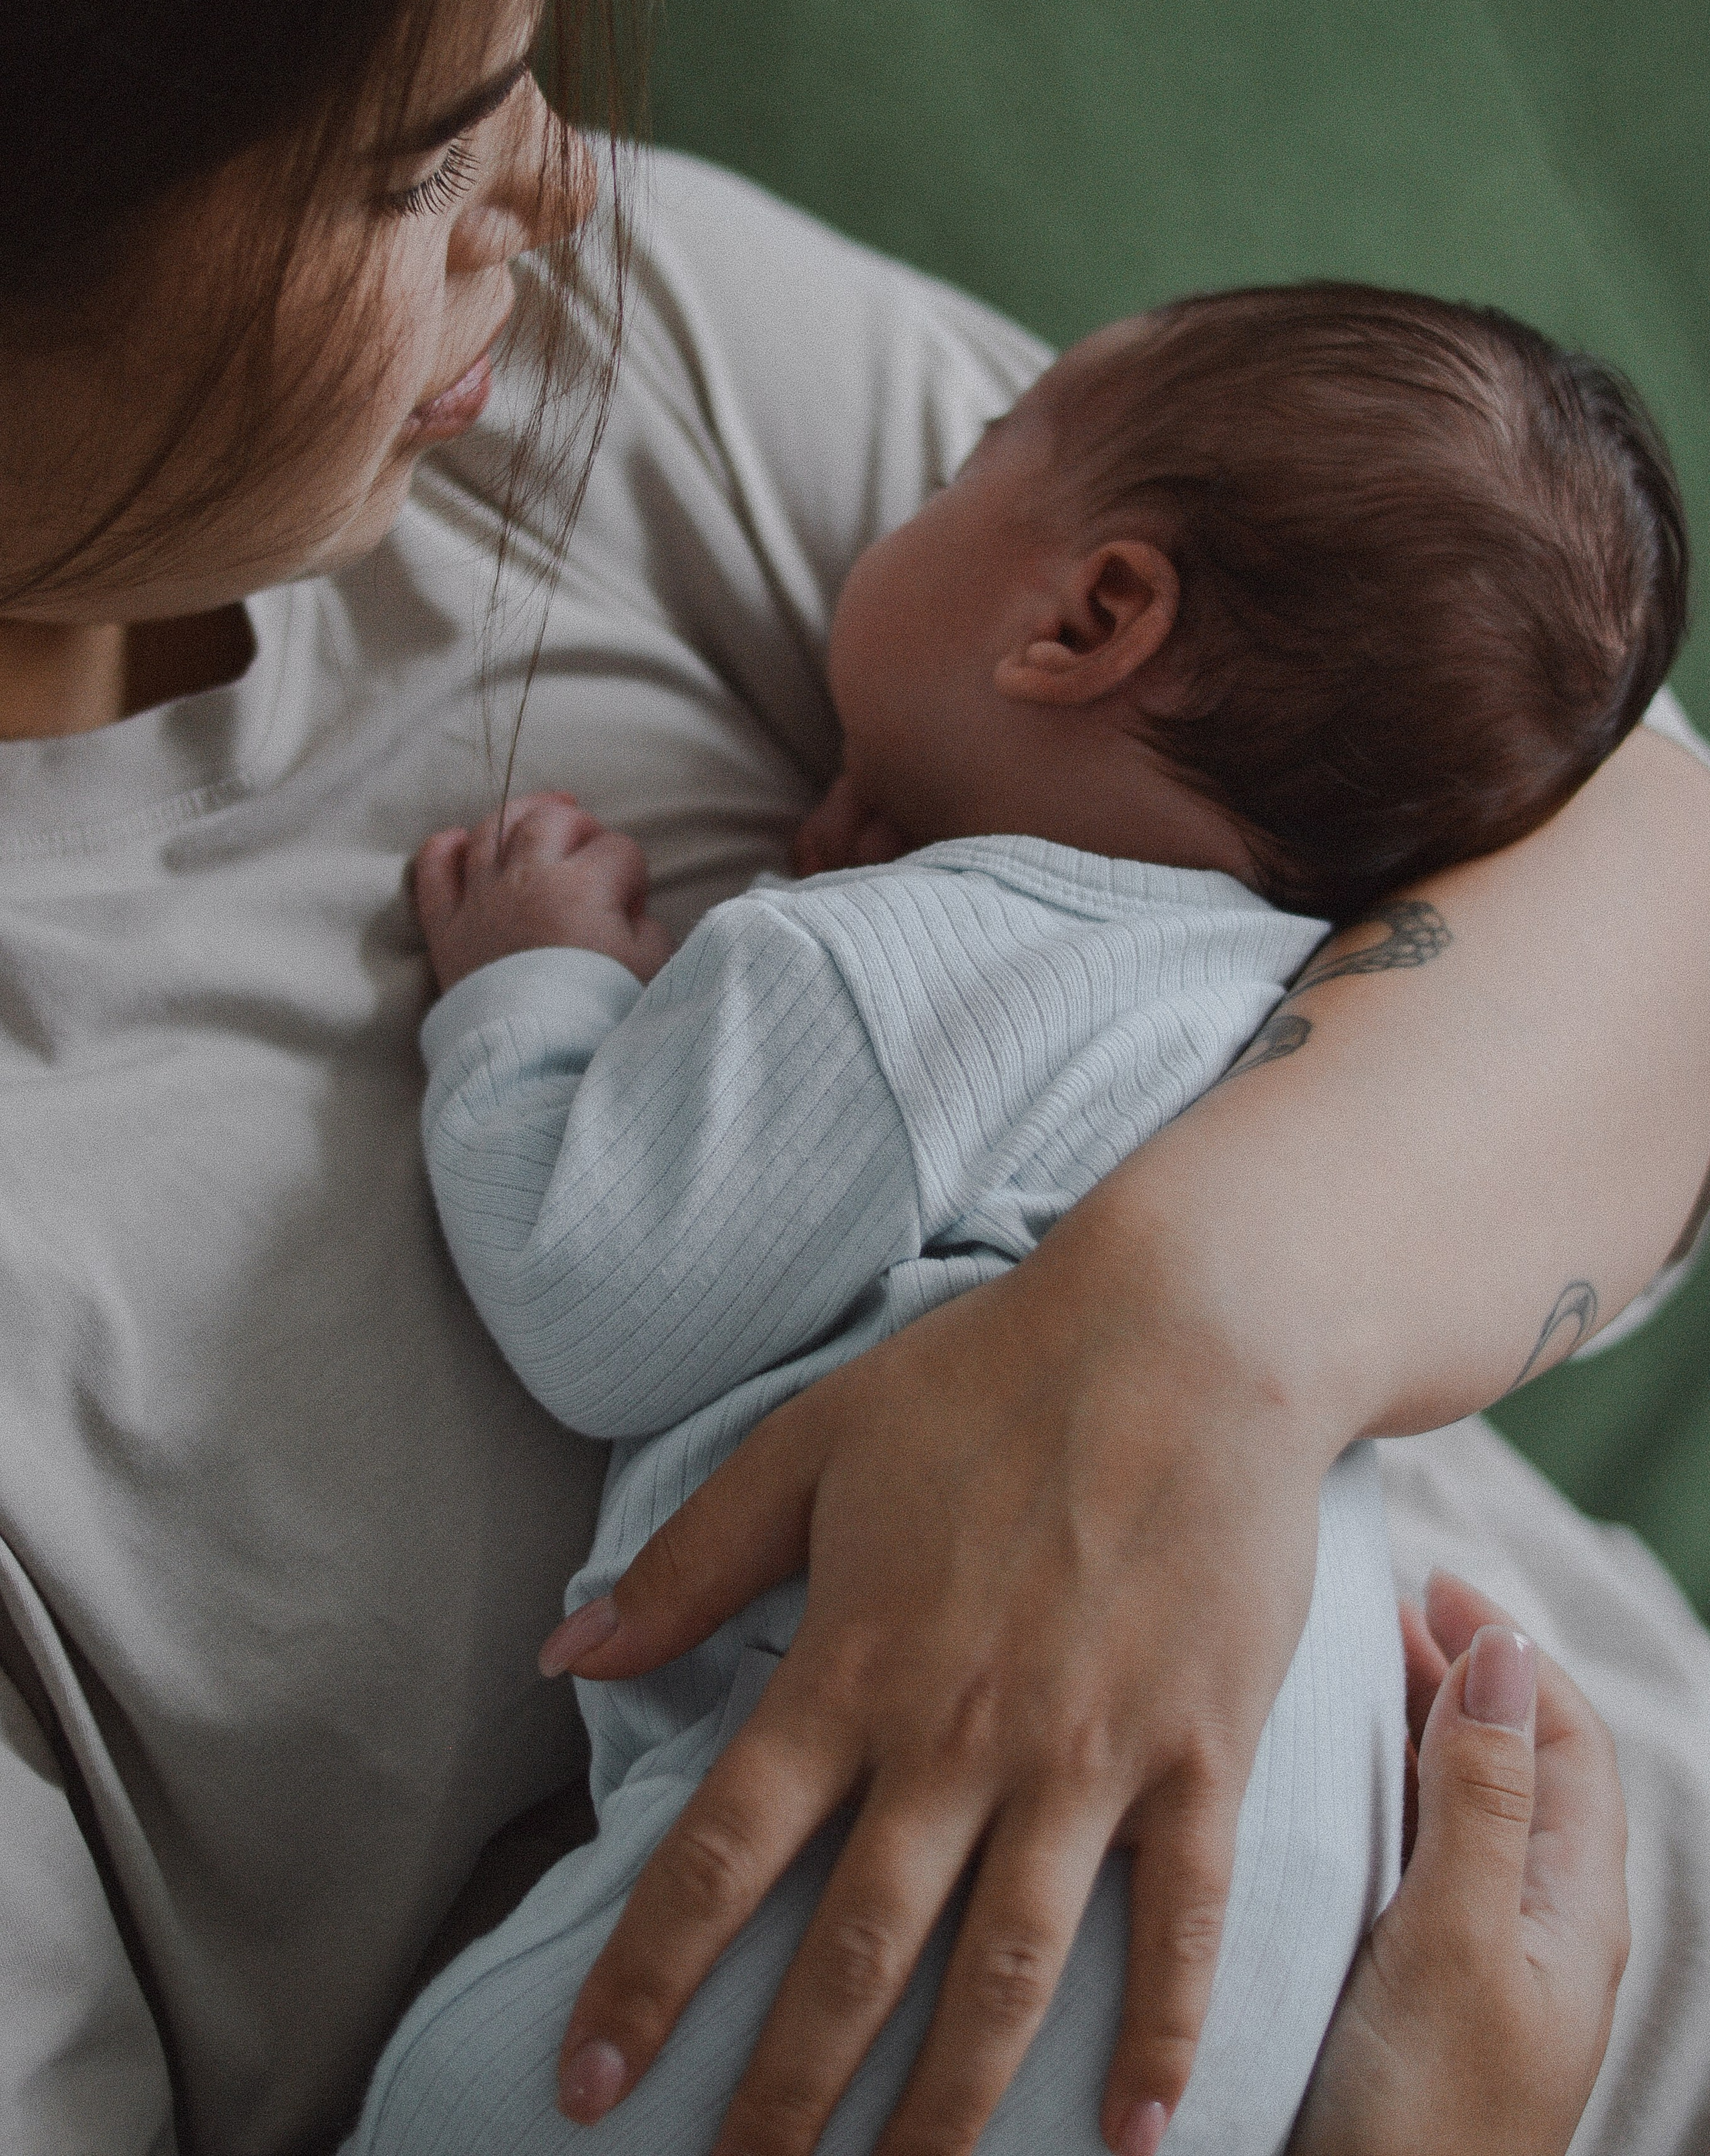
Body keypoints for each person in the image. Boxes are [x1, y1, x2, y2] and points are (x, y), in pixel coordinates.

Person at [2, 0, 1707, 2156]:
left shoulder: (581, 358)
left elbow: (1628, 829)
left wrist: (1194, 1329)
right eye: (416, 153)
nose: (559, 191)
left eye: (528, 80)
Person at [334, 279, 1681, 2155]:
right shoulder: (1338, 1036)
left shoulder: (883, 972)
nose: (934, 476)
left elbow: (595, 1289)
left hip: (797, 2019)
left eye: (978, 460)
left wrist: (532, 993)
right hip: (1227, 2054)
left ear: (1089, 614)